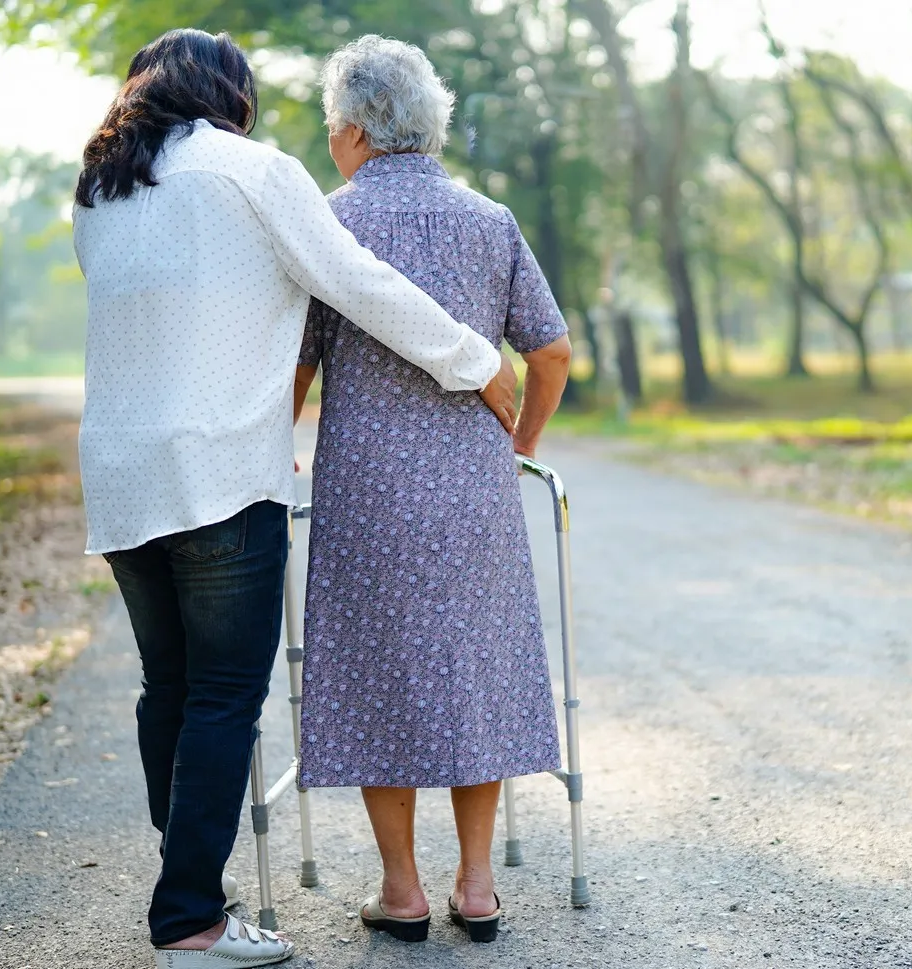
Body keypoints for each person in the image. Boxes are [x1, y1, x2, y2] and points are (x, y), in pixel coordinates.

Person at [73, 28, 518, 969]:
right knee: (227, 696)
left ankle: (191, 882)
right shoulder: (252, 170)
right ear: (228, 94)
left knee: (171, 687)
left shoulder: (101, 187)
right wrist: (476, 360)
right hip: (222, 472)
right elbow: (358, 283)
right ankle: (191, 917)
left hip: (120, 472)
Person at [291, 35, 573, 945]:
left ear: (359, 130)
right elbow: (552, 350)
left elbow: (294, 365)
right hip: (474, 491)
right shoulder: (490, 220)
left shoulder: (327, 223)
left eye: (335, 124)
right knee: (475, 671)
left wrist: (277, 447)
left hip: (366, 490)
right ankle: (479, 885)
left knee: (382, 674)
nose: (332, 139)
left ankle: (402, 890)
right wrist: (521, 442)